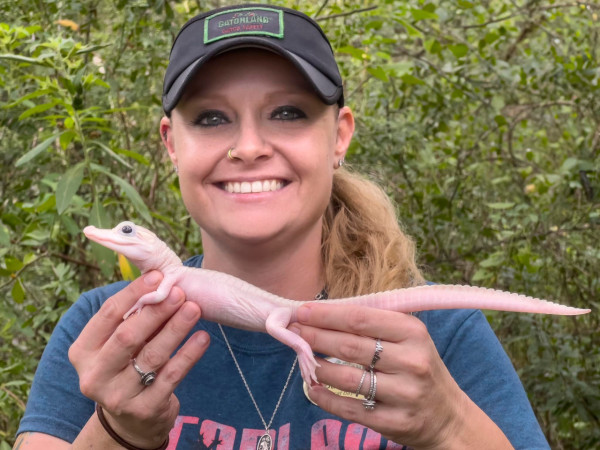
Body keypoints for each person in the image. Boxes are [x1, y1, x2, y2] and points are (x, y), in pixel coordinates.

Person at [15, 4, 550, 449]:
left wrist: (448, 424)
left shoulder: (443, 333)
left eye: (289, 113)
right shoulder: (101, 330)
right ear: (170, 145)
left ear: (339, 137)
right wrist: (116, 431)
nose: (248, 148)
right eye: (210, 118)